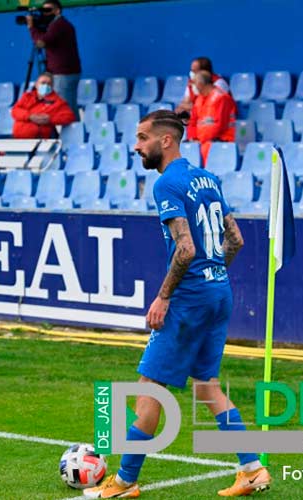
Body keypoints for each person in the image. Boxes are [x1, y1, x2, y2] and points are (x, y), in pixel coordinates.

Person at [84, 110, 271, 499]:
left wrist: (164, 296)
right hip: (219, 290)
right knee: (206, 386)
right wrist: (212, 273)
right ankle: (252, 469)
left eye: (142, 138)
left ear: (165, 140)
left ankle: (125, 481)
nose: (136, 146)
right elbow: (234, 239)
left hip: (190, 298)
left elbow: (185, 248)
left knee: (148, 387)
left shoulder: (167, 184)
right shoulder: (209, 178)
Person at [27, 0, 82, 117]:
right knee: (69, 107)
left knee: (65, 109)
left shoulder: (58, 25)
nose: (45, 13)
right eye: (43, 11)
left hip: (62, 75)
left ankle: (71, 134)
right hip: (67, 73)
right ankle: (74, 133)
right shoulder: (61, 24)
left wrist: (32, 28)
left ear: (57, 11)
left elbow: (41, 43)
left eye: (48, 10)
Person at [186, 70, 237, 165]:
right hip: (203, 141)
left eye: (194, 83)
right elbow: (192, 122)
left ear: (201, 84)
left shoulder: (222, 98)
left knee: (204, 150)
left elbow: (219, 126)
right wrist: (193, 138)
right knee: (187, 149)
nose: (192, 86)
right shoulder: (199, 100)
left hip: (221, 140)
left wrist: (200, 141)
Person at [12, 72, 76, 139]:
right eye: (43, 83)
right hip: (17, 138)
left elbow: (69, 117)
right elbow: (15, 110)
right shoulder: (27, 96)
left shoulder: (57, 101)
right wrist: (29, 116)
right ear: (36, 85)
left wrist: (50, 119)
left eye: (49, 84)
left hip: (39, 140)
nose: (46, 86)